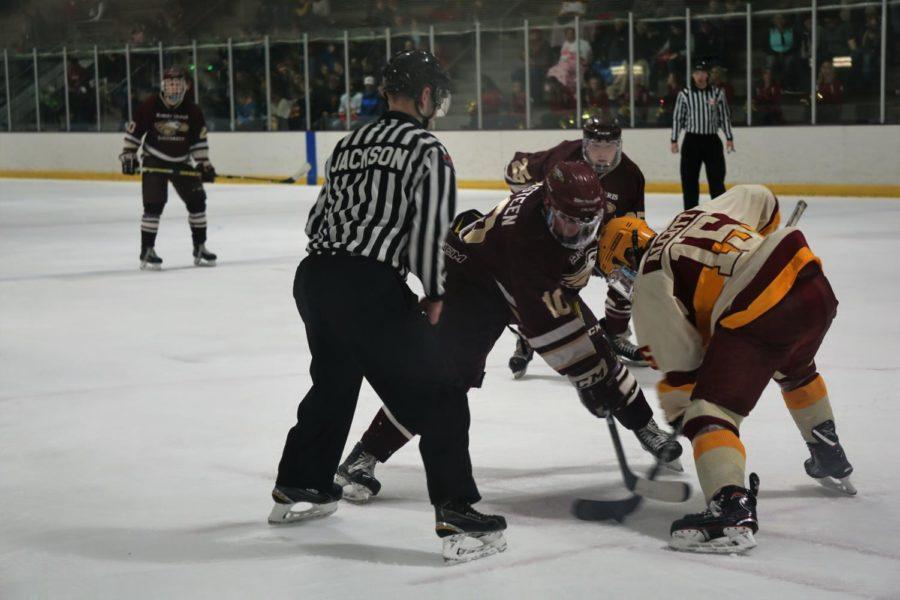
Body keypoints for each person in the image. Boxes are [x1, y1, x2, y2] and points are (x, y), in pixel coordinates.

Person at [269, 50, 507, 565]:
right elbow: (429, 231)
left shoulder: (348, 142)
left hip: (315, 279)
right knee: (441, 391)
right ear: (424, 96)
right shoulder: (428, 149)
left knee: (333, 383)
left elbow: (316, 221)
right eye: (435, 95)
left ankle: (301, 484)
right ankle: (457, 510)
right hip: (368, 285)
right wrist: (437, 291)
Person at [334, 162, 682, 505]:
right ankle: (363, 458)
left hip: (521, 277)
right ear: (548, 206)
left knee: (597, 353)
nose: (576, 231)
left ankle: (645, 427)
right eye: (567, 222)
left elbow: (604, 280)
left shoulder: (582, 209)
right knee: (442, 380)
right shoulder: (528, 240)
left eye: (585, 223)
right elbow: (552, 329)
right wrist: (590, 379)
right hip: (473, 282)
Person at [596, 185, 855, 554]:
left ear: (627, 254)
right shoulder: (693, 216)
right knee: (794, 368)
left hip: (761, 306)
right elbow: (761, 198)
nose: (625, 283)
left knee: (710, 410)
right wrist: (756, 251)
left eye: (620, 273)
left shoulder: (651, 278)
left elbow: (680, 370)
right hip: (811, 282)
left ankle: (729, 509)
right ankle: (828, 450)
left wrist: (683, 414)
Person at [503, 118, 647, 368]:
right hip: (561, 238)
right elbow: (519, 171)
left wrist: (628, 259)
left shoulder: (631, 176)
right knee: (542, 284)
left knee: (631, 269)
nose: (602, 155)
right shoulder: (563, 157)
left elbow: (633, 230)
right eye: (596, 148)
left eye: (609, 147)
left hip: (600, 243)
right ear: (584, 145)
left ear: (619, 146)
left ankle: (616, 332)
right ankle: (528, 336)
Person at [119, 66, 217, 271]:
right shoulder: (151, 104)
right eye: (170, 83)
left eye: (177, 82)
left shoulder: (192, 109)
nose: (173, 87)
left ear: (185, 85)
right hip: (155, 160)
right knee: (154, 205)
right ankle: (147, 249)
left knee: (197, 201)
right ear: (164, 85)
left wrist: (204, 164)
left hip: (181, 160)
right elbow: (135, 133)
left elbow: (198, 142)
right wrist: (129, 154)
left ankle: (200, 246)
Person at [671, 59, 734, 210]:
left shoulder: (717, 93)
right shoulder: (685, 94)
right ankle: (691, 215)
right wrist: (674, 139)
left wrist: (729, 137)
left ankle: (720, 214)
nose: (700, 76)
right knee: (689, 181)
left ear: (708, 75)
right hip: (692, 141)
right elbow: (678, 117)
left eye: (703, 73)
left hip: (712, 141)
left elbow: (724, 116)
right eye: (697, 73)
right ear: (692, 75)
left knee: (717, 180)